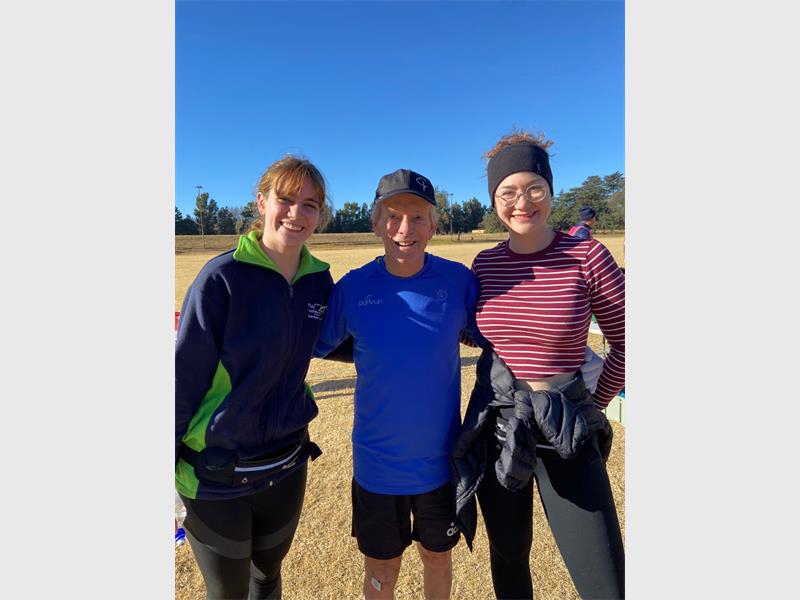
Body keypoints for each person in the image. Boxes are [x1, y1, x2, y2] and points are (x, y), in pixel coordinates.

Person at [451, 131, 626, 599]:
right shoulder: (485, 264)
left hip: (565, 424)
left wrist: (595, 402)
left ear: (550, 192)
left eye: (534, 189)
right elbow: (477, 333)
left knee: (605, 580)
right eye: (507, 192)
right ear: (494, 200)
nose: (521, 202)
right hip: (500, 426)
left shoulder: (586, 256)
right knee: (508, 559)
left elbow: (630, 341)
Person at [313, 168, 479, 600]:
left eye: (418, 217)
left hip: (441, 465)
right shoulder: (352, 289)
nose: (405, 229)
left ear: (435, 224)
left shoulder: (459, 283)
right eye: (392, 216)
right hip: (377, 467)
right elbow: (312, 343)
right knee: (381, 567)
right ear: (375, 223)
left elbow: (498, 333)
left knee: (437, 557)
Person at [175, 156, 334, 600]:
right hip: (215, 472)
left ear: (320, 216)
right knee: (227, 593)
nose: (296, 214)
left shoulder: (319, 280)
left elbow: (344, 339)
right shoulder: (221, 278)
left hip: (286, 463)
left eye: (310, 205)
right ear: (262, 202)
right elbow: (182, 379)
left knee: (266, 579)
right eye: (285, 199)